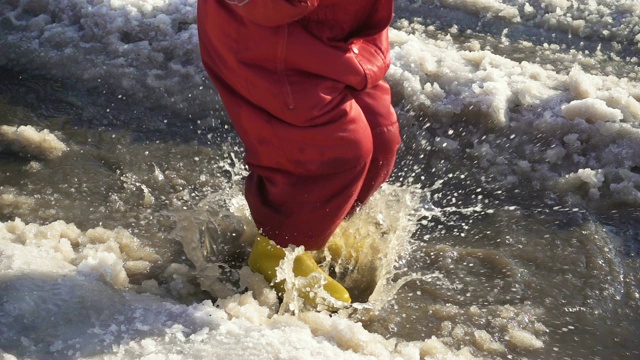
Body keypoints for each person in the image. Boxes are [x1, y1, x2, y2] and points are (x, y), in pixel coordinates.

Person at [197, 0, 400, 304]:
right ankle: (278, 249)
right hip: (266, 38)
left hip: (345, 31)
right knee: (337, 147)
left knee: (381, 136)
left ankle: (315, 229)